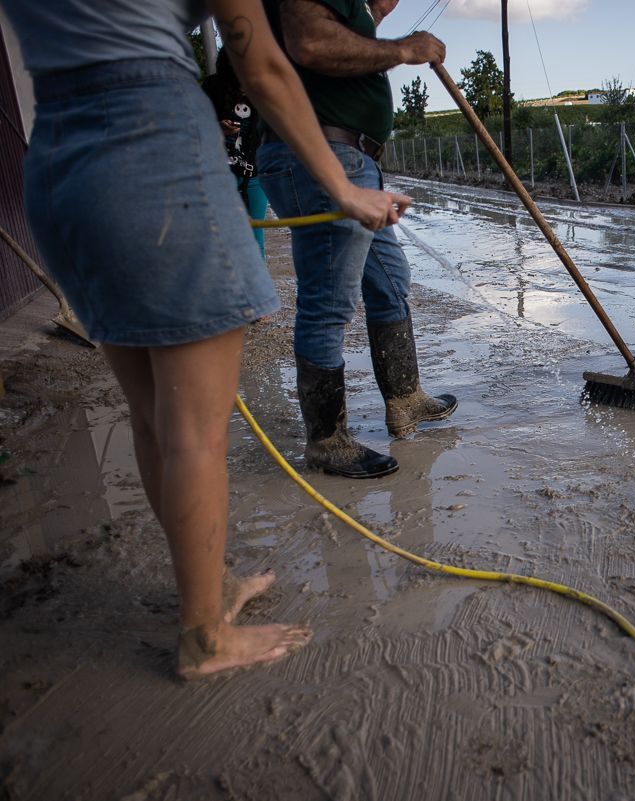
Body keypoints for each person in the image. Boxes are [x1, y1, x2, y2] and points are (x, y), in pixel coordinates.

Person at [1, 0, 410, 679]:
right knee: (195, 430)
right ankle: (205, 636)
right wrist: (341, 186)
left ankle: (209, 589)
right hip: (154, 153)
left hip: (57, 163)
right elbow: (263, 61)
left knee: (154, 418)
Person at [257, 0, 457, 481]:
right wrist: (405, 49)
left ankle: (404, 398)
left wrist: (375, 20)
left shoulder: (356, 11)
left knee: (390, 279)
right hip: (326, 154)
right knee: (329, 301)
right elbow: (312, 41)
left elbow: (337, 36)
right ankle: (327, 441)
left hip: (353, 158)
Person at [202, 48, 269, 258]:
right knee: (222, 235)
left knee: (256, 237)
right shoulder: (213, 87)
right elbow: (196, 125)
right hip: (220, 172)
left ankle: (258, 288)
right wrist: (217, 127)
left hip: (254, 172)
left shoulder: (262, 89)